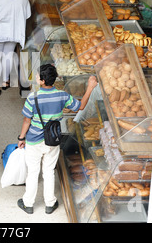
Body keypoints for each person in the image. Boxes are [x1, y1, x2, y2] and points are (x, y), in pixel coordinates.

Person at [17, 64, 98, 214]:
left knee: (33, 172)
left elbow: (26, 121)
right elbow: (80, 106)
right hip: (52, 139)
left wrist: (21, 137)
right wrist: (90, 88)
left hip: (34, 140)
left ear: (41, 81)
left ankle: (28, 203)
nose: (35, 77)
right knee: (48, 171)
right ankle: (50, 203)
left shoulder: (32, 98)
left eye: (37, 76)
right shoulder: (62, 95)